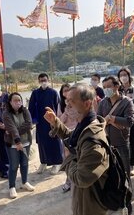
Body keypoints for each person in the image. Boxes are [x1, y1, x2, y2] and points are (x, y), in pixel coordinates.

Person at [44, 83, 109, 215]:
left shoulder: (93, 139)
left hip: (91, 201)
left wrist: (68, 158)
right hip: (83, 195)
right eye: (66, 101)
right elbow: (72, 136)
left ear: (87, 104)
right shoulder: (84, 125)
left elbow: (81, 178)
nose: (67, 105)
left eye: (72, 101)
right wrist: (55, 122)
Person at [97, 76, 134, 174]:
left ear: (117, 86)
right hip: (106, 143)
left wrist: (112, 118)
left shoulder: (127, 102)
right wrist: (106, 120)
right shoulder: (102, 102)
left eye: (109, 86)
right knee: (109, 174)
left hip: (121, 142)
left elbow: (129, 121)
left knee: (124, 172)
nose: (106, 89)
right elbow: (98, 120)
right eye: (104, 87)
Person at [28, 73, 63, 174]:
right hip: (40, 122)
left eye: (45, 80)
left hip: (52, 122)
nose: (43, 82)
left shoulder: (53, 92)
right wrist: (31, 120)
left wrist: (57, 121)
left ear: (48, 80)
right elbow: (31, 108)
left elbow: (58, 107)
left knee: (54, 141)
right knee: (42, 143)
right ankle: (43, 162)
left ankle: (57, 163)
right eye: (41, 80)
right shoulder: (35, 93)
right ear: (38, 81)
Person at [3, 92, 35, 199]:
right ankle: (12, 187)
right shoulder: (6, 114)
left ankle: (24, 182)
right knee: (14, 165)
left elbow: (29, 124)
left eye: (19, 100)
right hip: (12, 144)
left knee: (25, 163)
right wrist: (17, 141)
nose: (18, 102)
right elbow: (11, 127)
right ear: (10, 102)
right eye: (15, 100)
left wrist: (14, 131)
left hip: (26, 142)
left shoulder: (25, 111)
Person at [57, 83, 79, 192]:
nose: (66, 93)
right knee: (67, 159)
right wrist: (66, 110)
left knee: (79, 157)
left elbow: (78, 117)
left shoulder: (77, 102)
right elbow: (60, 121)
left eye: (68, 90)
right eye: (64, 91)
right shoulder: (60, 105)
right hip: (66, 134)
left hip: (78, 132)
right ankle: (68, 180)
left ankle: (77, 180)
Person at [118, 68, 134, 175]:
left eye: (125, 74)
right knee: (121, 141)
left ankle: (131, 164)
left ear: (129, 76)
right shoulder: (117, 89)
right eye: (121, 75)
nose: (123, 77)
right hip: (119, 120)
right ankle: (121, 163)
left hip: (131, 119)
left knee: (133, 141)